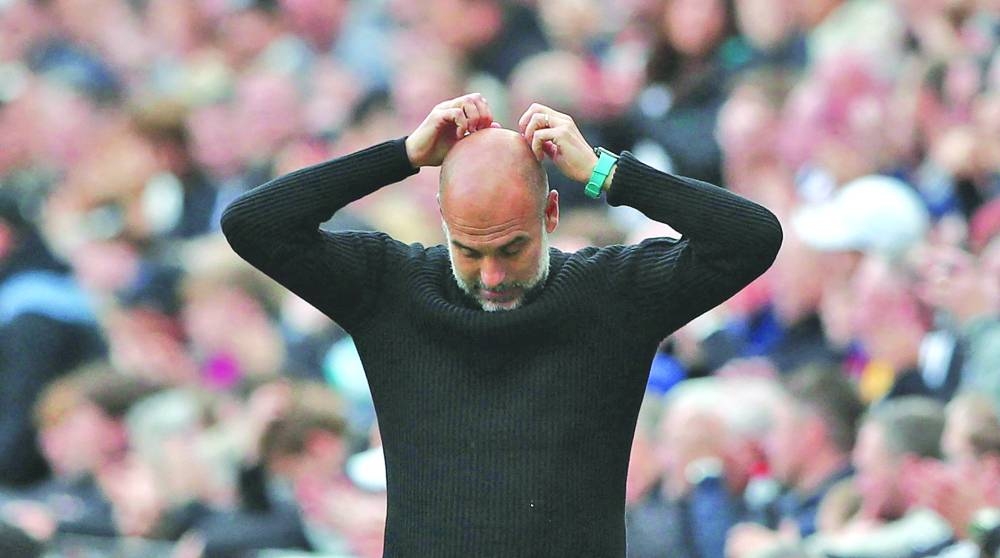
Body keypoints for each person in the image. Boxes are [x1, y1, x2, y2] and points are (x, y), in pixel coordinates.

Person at [221, 93, 782, 555]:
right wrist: (402, 155)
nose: (491, 275)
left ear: (551, 214)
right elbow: (252, 224)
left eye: (512, 248)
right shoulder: (390, 289)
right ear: (442, 220)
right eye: (468, 250)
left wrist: (608, 174)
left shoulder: (613, 294)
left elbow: (750, 238)